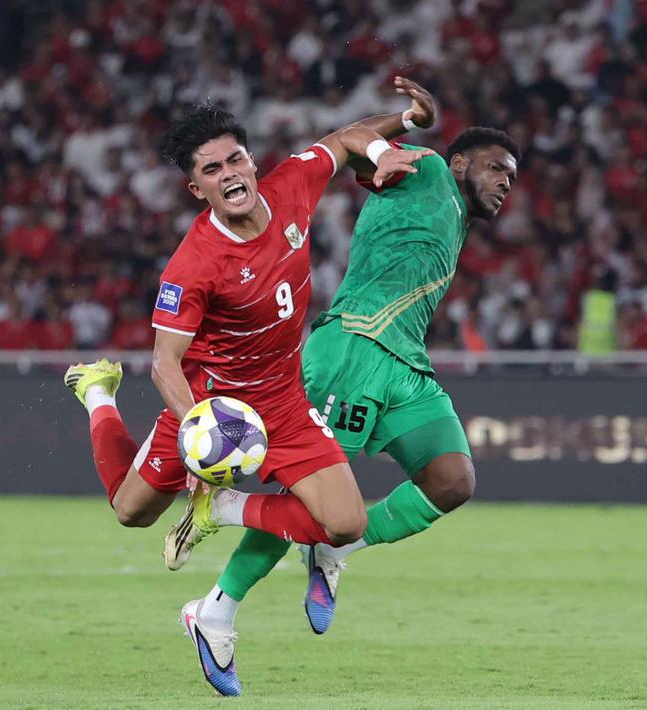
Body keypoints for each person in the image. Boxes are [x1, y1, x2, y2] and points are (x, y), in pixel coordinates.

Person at [62, 84, 435, 696]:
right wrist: (201, 430)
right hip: (214, 406)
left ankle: (220, 509)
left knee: (344, 525)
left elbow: (345, 139)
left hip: (284, 401)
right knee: (130, 512)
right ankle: (99, 393)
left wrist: (401, 126)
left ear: (252, 161)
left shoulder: (291, 185)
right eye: (211, 170)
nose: (229, 174)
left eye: (235, 159)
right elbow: (164, 363)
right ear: (197, 189)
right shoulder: (194, 264)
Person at [186, 119, 521, 695]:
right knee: (308, 498)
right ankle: (216, 610)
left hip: (406, 363)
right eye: (496, 169)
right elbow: (359, 151)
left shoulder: (456, 217)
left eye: (511, 178)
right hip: (353, 348)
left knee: (452, 480)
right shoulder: (430, 171)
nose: (504, 184)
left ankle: (333, 549)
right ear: (461, 163)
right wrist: (393, 137)